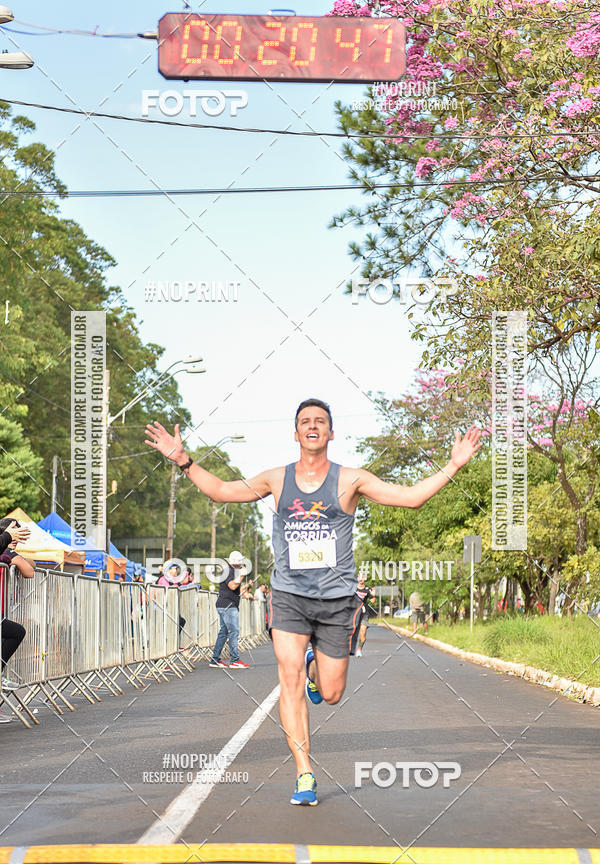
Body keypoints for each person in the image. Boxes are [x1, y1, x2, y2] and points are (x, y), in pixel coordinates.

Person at [145, 398, 481, 805]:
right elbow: (220, 491)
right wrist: (183, 460)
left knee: (333, 693)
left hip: (336, 600)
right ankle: (304, 774)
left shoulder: (350, 480)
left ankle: (315, 670)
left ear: (331, 433)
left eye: (320, 421)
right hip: (288, 596)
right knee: (288, 681)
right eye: (305, 421)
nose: (312, 426)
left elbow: (410, 497)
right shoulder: (276, 479)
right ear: (296, 433)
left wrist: (454, 466)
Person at [0, 518, 34, 701]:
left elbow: (32, 565)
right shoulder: (6, 553)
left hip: (3, 610)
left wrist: (19, 558)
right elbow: (29, 571)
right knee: (17, 632)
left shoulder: (9, 553)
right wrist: (17, 559)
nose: (15, 537)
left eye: (17, 534)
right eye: (13, 532)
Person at [209, 551, 250, 669]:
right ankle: (234, 660)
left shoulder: (230, 571)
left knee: (224, 632)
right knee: (233, 632)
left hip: (224, 604)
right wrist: (242, 575)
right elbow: (232, 585)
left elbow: (234, 588)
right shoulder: (229, 571)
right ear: (236, 561)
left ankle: (215, 659)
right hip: (228, 605)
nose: (242, 562)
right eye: (240, 560)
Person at [355, 574, 376, 658]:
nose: (361, 579)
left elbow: (373, 601)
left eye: (363, 577)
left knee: (363, 632)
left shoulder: (368, 589)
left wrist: (373, 595)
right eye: (360, 577)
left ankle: (359, 649)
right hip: (353, 612)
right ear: (357, 578)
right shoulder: (352, 587)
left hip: (364, 612)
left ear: (365, 579)